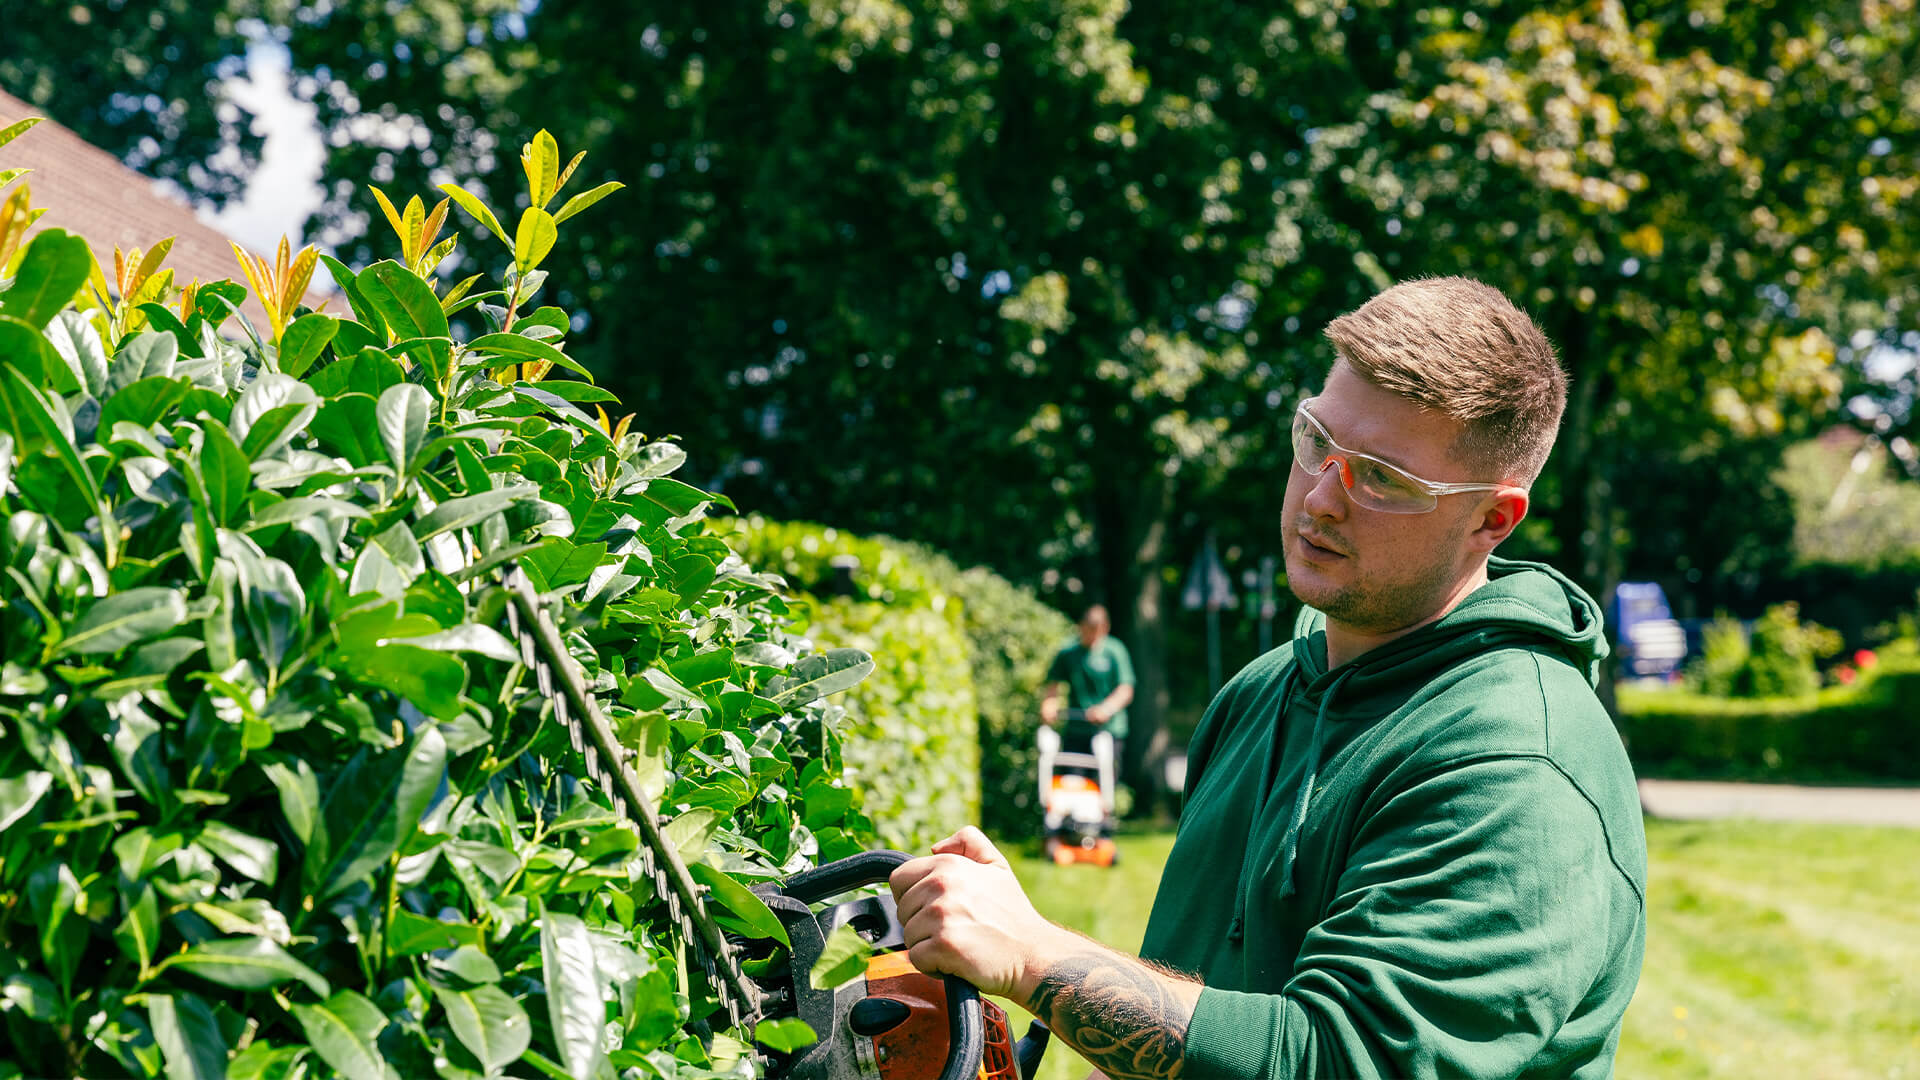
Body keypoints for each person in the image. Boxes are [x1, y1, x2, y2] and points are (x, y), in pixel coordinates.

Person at [890, 277, 1647, 1079]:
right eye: (1317, 440)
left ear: (1491, 519)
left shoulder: (1518, 764)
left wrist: (1035, 955)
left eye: (1382, 478)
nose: (1320, 497)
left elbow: (1336, 1060)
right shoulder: (1258, 693)